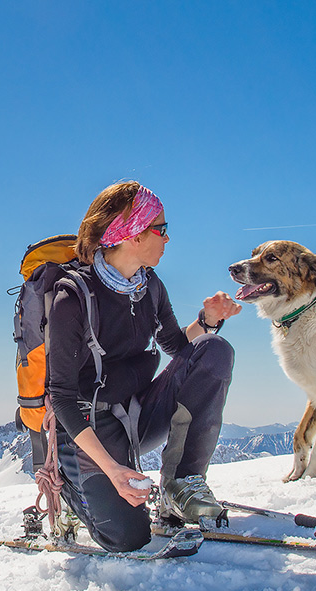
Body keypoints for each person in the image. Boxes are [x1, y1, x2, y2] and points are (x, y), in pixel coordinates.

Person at [46, 182, 242, 552]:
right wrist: (113, 470)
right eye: (161, 229)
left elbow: (176, 347)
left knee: (213, 349)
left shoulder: (149, 286)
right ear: (133, 233)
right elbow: (62, 397)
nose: (167, 239)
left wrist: (208, 320)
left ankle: (180, 486)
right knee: (128, 537)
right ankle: (74, 494)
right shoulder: (71, 297)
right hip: (89, 425)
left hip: (137, 411)